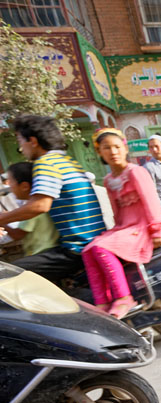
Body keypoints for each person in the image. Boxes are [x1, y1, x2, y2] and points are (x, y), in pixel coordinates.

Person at [1, 115, 105, 282]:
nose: (21, 148)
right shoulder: (67, 161)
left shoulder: (45, 163)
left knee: (6, 276)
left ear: (33, 141)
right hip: (92, 241)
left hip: (76, 248)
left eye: (20, 142)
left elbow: (39, 206)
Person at [81, 129, 161, 318]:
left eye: (117, 147)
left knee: (100, 248)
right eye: (107, 148)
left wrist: (157, 231)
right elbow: (116, 212)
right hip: (124, 229)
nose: (113, 152)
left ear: (125, 148)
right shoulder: (108, 180)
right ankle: (102, 301)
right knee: (88, 251)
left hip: (141, 228)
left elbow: (151, 201)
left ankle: (123, 297)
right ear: (99, 152)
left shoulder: (136, 172)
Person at [2, 162, 59, 256]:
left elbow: (17, 234)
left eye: (11, 182)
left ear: (25, 186)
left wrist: (3, 221)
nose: (10, 187)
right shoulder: (40, 201)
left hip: (42, 252)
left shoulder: (33, 208)